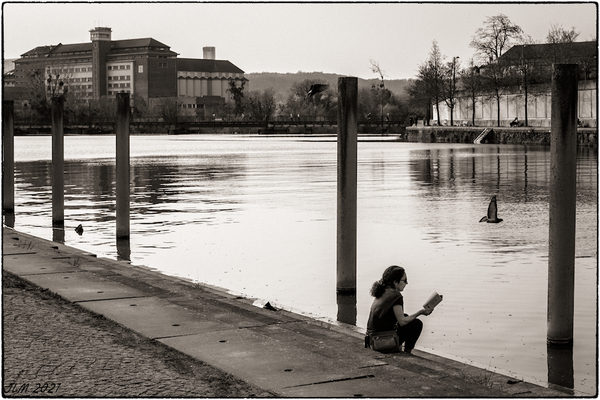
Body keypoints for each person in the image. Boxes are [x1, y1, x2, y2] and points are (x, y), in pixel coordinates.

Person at [366, 265, 432, 353]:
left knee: (406, 316)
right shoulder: (396, 296)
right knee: (416, 324)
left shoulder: (383, 291)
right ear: (395, 282)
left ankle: (402, 348)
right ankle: (407, 352)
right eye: (404, 280)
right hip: (381, 341)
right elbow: (402, 321)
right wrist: (420, 312)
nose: (406, 283)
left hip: (371, 339)